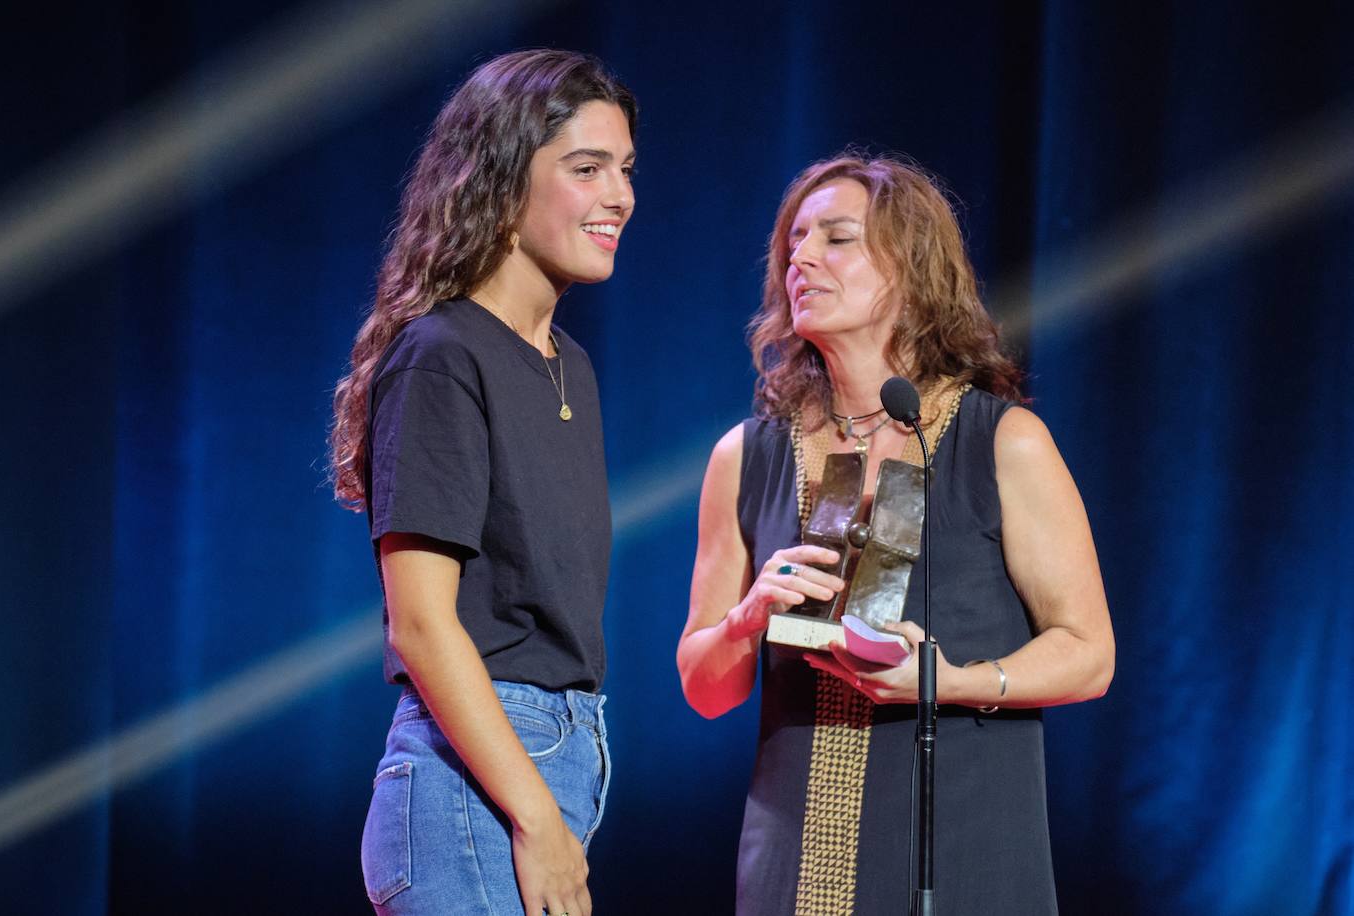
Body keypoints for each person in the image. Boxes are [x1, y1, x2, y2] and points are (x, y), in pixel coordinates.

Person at [677, 154, 1115, 914]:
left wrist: (949, 681)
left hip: (965, 848)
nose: (802, 259)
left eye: (836, 239)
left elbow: (1089, 655)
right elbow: (706, 690)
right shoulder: (744, 457)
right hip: (796, 859)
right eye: (796, 244)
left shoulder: (1003, 440)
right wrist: (748, 619)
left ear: (911, 269)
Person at [330, 49, 636, 916]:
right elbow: (424, 624)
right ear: (502, 182)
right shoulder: (442, 355)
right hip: (479, 782)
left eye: (625, 170)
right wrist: (537, 817)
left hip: (553, 761)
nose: (621, 196)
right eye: (587, 169)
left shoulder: (566, 363)